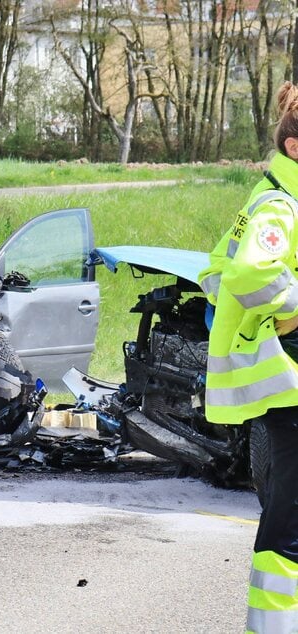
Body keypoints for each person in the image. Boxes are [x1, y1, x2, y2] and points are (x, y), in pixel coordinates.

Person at [199, 81, 298, 633]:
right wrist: (290, 311)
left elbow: (215, 271)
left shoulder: (277, 198)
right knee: (292, 517)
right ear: (294, 147)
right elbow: (246, 272)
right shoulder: (280, 203)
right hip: (289, 380)